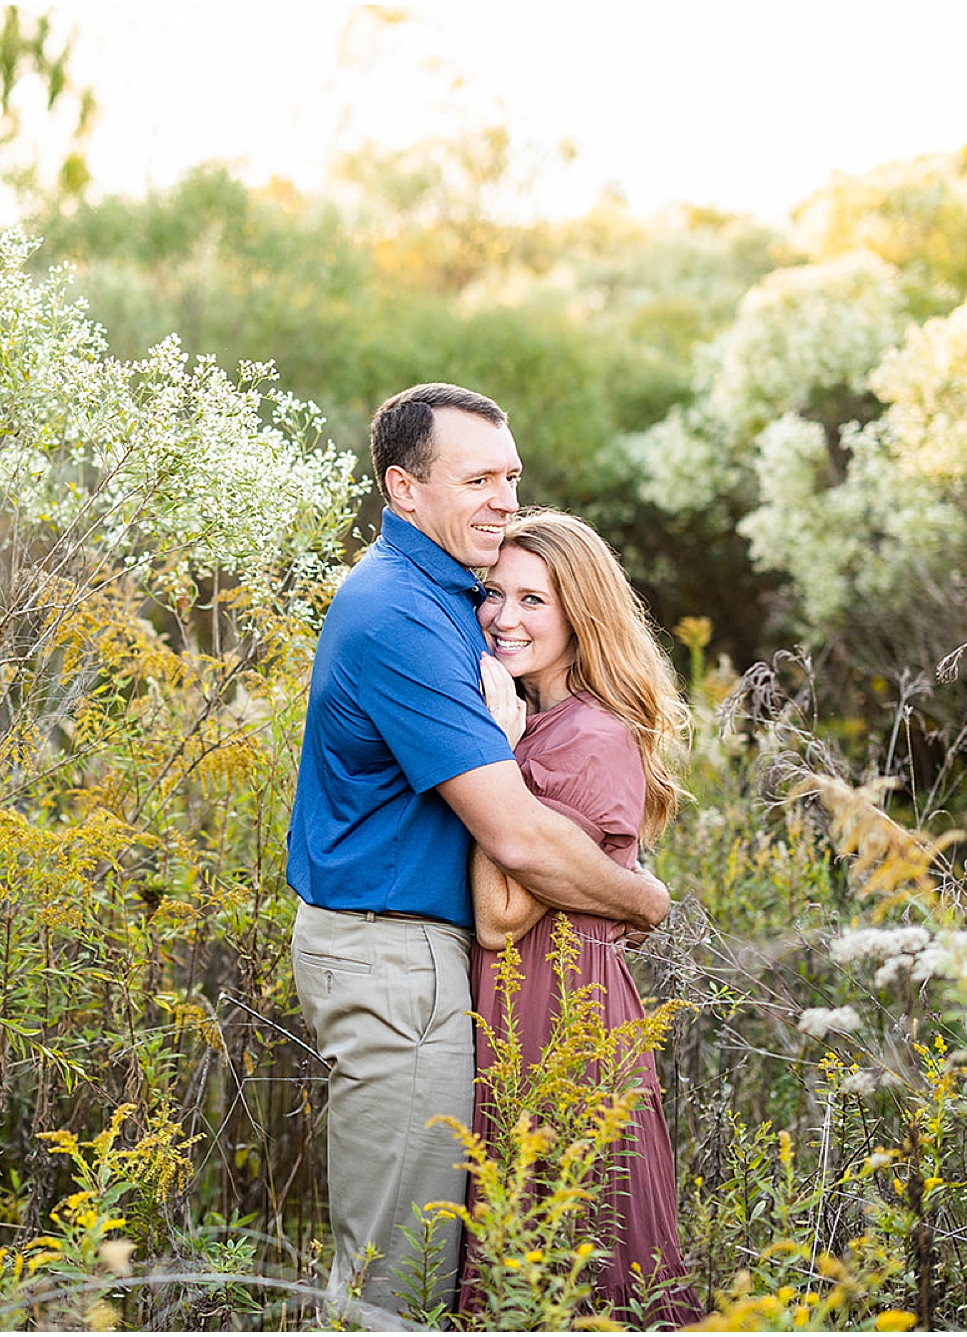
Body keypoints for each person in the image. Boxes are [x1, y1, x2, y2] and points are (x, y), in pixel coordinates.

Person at [286, 384, 671, 1318]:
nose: (502, 498)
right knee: (402, 1277)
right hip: (394, 958)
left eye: (511, 476)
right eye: (477, 478)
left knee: (448, 1260)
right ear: (403, 488)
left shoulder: (441, 594)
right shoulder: (405, 616)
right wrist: (642, 900)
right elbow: (514, 835)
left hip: (420, 960)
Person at [459, 507, 704, 1328]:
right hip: (532, 1003)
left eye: (534, 600)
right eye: (495, 594)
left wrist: (492, 742)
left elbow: (498, 915)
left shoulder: (585, 736)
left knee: (576, 1263)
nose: (503, 617)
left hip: (561, 1014)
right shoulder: (547, 723)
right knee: (534, 1259)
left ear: (580, 612)